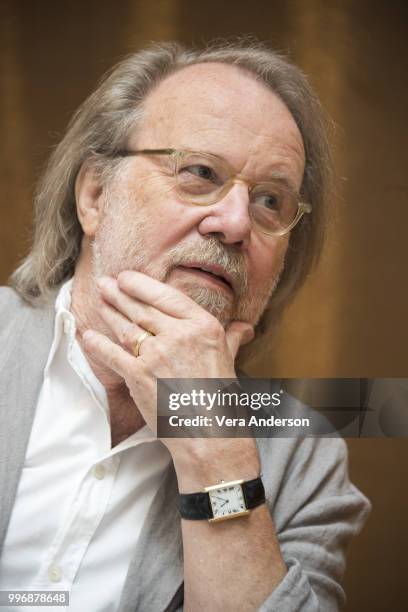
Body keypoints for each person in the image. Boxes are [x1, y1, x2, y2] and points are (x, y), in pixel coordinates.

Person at [0, 40, 370, 611]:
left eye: (271, 201)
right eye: (200, 172)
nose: (236, 222)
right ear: (95, 195)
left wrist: (215, 450)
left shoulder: (304, 455)